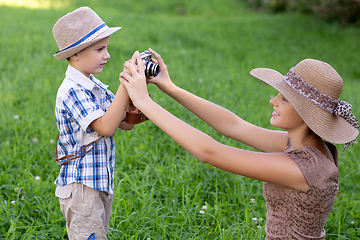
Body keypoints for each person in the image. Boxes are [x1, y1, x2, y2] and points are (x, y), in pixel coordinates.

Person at [119, 49, 359, 239]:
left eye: (284, 98)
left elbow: (210, 152)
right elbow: (234, 126)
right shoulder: (304, 146)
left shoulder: (304, 169)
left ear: (306, 112)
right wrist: (170, 87)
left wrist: (144, 101)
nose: (273, 100)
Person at [52, 7, 134, 239]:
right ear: (75, 54)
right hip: (81, 188)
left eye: (106, 48)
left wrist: (136, 95)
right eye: (100, 49)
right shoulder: (72, 91)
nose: (107, 55)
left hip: (98, 183)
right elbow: (107, 128)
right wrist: (124, 85)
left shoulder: (94, 86)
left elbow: (125, 123)